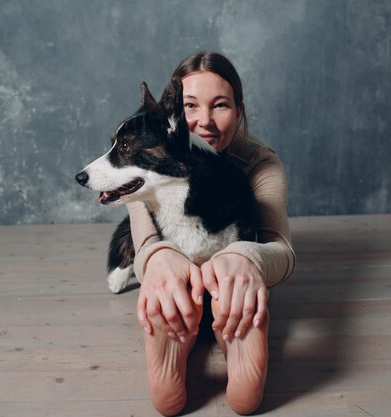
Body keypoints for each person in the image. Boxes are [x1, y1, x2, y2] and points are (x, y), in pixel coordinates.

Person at [126, 52, 296, 416]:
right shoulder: (146, 162)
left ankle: (233, 335)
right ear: (170, 115)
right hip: (178, 280)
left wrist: (245, 258)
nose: (204, 122)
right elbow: (144, 239)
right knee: (160, 267)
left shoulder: (259, 163)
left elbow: (281, 251)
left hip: (233, 284)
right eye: (189, 106)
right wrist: (156, 259)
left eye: (220, 105)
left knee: (232, 280)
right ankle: (177, 336)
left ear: (239, 110)